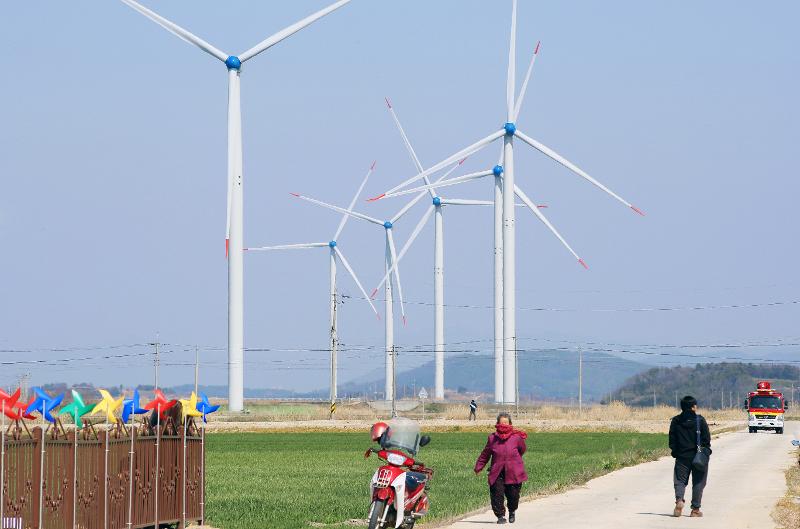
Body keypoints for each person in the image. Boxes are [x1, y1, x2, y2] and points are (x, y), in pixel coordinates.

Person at [474, 413, 528, 524]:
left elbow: (522, 450)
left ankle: (512, 510)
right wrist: (479, 467)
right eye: (501, 423)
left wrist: (514, 460)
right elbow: (485, 454)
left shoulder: (516, 438)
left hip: (514, 471)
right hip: (497, 471)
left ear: (510, 424)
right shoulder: (492, 438)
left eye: (506, 423)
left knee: (513, 495)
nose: (503, 425)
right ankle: (500, 516)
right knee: (496, 494)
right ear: (498, 424)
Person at [669, 395, 711, 518]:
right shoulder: (700, 420)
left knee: (680, 481)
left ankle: (679, 500)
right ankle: (695, 510)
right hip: (698, 457)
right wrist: (706, 452)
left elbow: (672, 440)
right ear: (693, 407)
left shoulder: (676, 421)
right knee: (698, 482)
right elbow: (706, 440)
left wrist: (675, 452)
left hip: (682, 456)